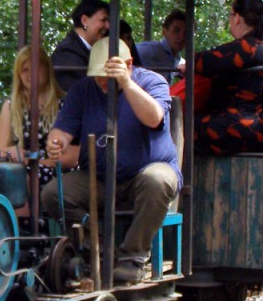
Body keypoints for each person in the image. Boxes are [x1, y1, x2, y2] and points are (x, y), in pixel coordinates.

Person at [42, 37, 181, 284]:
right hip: (100, 178)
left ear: (128, 64)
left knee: (158, 180)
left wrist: (126, 84)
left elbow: (153, 118)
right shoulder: (83, 90)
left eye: (107, 76)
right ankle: (94, 252)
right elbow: (62, 130)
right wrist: (56, 142)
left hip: (144, 174)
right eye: (98, 76)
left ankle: (132, 257)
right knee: (54, 193)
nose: (101, 83)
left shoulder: (152, 82)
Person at [0, 47, 77, 213]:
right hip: (23, 169)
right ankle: (17, 231)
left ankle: (31, 233)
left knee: (23, 178)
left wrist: (41, 163)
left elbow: (76, 154)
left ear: (47, 69)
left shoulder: (66, 104)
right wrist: (14, 152)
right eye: (24, 69)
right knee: (6, 177)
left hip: (59, 170)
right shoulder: (11, 106)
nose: (30, 74)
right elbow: (1, 150)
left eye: (35, 67)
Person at [194, 0, 263, 155]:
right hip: (262, 127)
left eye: (230, 15)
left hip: (241, 128)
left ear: (237, 18)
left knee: (180, 125)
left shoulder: (248, 48)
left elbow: (201, 62)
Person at [51, 0, 110, 92]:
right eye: (103, 20)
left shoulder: (88, 49)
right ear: (84, 20)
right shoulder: (68, 54)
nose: (108, 26)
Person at [137, 9, 187, 79]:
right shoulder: (147, 50)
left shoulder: (177, 59)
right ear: (164, 31)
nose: (182, 37)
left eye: (186, 32)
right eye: (176, 30)